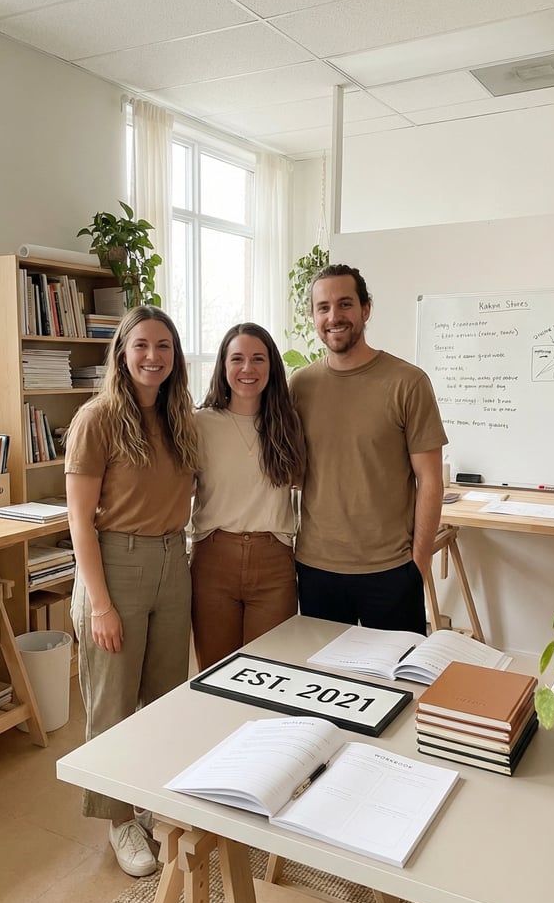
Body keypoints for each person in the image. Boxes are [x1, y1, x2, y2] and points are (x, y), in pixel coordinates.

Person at [64, 305, 198, 877]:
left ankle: (153, 801)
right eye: (141, 345)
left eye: (163, 346)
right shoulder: (96, 418)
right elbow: (78, 521)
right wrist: (100, 604)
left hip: (174, 559)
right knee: (113, 701)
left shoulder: (178, 416)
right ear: (121, 351)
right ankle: (120, 820)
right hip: (115, 565)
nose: (152, 356)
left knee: (166, 696)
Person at [289, 264, 447, 634]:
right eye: (323, 307)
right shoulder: (300, 385)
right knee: (325, 685)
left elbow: (430, 480)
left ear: (366, 309)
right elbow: (294, 472)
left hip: (391, 570)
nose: (334, 317)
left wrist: (418, 566)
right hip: (316, 568)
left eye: (345, 304)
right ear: (313, 316)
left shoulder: (407, 383)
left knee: (399, 688)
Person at [191, 322, 306, 669]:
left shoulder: (288, 423)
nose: (247, 368)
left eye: (258, 358)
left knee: (270, 671)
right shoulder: (199, 423)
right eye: (237, 358)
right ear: (223, 366)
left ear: (271, 366)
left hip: (274, 562)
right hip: (213, 559)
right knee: (216, 672)